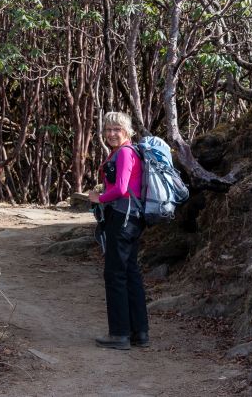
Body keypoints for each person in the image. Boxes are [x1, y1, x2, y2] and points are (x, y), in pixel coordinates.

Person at [88, 111, 149, 350]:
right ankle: (139, 333)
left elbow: (122, 188)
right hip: (132, 218)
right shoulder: (127, 152)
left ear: (127, 131)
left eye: (117, 129)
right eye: (108, 129)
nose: (112, 134)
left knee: (115, 274)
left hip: (123, 218)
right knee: (130, 272)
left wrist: (99, 197)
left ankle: (120, 334)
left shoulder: (124, 153)